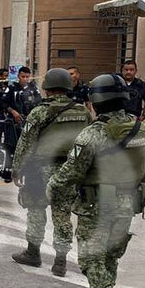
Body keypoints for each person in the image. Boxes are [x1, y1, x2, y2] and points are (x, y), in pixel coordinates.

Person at [47, 74, 145, 288]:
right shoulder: (143, 130)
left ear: (96, 101)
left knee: (91, 257)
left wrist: (51, 188)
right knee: (110, 255)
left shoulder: (92, 134)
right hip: (128, 202)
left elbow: (71, 173)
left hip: (97, 206)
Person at [10, 68, 91, 276]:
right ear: (67, 87)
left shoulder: (40, 111)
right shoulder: (82, 112)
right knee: (62, 214)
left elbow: (25, 143)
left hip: (39, 170)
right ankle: (60, 261)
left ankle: (33, 253)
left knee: (36, 210)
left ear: (46, 89)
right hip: (69, 171)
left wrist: (17, 168)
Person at [6, 66, 42, 138]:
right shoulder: (12, 88)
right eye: (23, 76)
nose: (25, 79)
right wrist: (13, 112)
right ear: (18, 76)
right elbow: (4, 104)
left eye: (27, 77)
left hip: (29, 121)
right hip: (13, 122)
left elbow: (39, 102)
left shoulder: (33, 88)